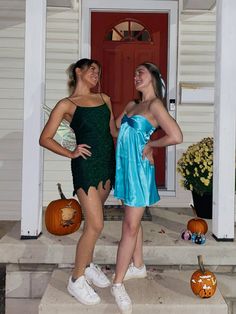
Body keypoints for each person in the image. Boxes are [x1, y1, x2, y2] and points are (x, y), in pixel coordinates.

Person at [39, 58, 117, 306]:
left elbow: (113, 131)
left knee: (94, 222)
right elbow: (45, 138)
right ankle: (76, 279)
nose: (96, 73)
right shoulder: (66, 104)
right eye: (92, 69)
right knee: (95, 224)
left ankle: (88, 263)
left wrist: (139, 123)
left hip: (106, 164)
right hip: (85, 166)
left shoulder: (104, 99)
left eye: (99, 70)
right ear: (78, 71)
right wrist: (71, 152)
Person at [111, 62, 183, 314]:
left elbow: (176, 135)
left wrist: (152, 145)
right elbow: (115, 130)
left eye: (140, 72)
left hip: (139, 172)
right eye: (134, 73)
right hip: (124, 169)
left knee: (130, 226)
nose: (135, 76)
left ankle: (117, 283)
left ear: (152, 77)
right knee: (134, 220)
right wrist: (105, 107)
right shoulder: (132, 105)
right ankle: (138, 265)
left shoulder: (155, 106)